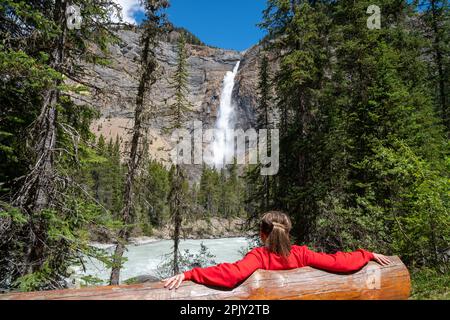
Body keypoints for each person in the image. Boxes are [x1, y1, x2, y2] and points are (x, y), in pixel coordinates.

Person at [164, 211, 392, 290]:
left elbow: (231, 274)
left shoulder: (259, 257)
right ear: (287, 233)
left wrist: (189, 274)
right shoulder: (301, 254)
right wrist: (366, 254)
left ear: (262, 234)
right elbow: (339, 262)